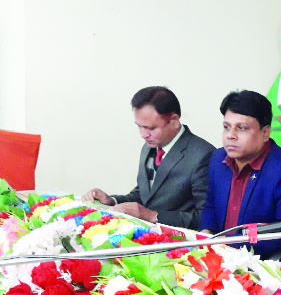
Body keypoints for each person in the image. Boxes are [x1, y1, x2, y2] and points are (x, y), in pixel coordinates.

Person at [200, 90, 281, 257]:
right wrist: (206, 232)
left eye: (242, 128)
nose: (230, 136)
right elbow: (210, 205)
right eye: (226, 127)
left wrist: (230, 245)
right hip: (216, 256)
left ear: (265, 132)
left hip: (260, 263)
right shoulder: (218, 159)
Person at [82, 86, 215, 230]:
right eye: (139, 127)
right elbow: (144, 196)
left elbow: (207, 217)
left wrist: (153, 216)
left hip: (180, 245)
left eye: (150, 128)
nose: (143, 134)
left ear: (174, 121)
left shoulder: (202, 155)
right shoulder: (149, 147)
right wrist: (111, 201)